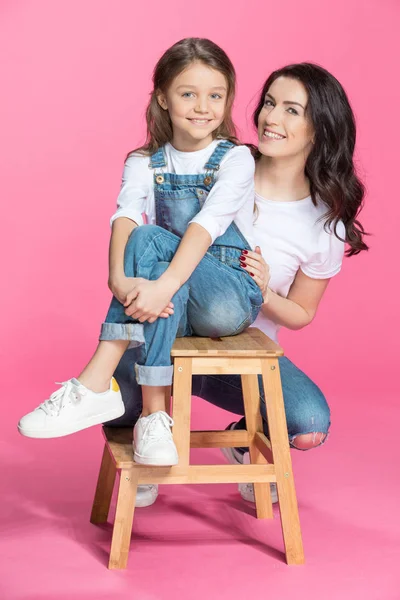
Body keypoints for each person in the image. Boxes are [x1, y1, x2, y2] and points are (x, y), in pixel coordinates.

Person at [109, 62, 368, 507]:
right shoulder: (222, 163)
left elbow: (302, 313)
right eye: (269, 103)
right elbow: (143, 223)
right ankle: (148, 432)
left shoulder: (323, 221)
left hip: (238, 357)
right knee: (120, 402)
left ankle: (243, 441)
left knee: (308, 424)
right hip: (166, 328)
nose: (270, 118)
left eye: (291, 110)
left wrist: (264, 292)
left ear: (319, 129)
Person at [17, 37, 263, 469]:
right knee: (150, 254)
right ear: (163, 99)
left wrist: (159, 284)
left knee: (151, 242)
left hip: (226, 296)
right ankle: (154, 420)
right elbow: (125, 215)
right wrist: (119, 279)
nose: (203, 106)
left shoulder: (237, 158)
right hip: (173, 300)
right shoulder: (144, 161)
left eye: (216, 95)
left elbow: (206, 227)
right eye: (188, 94)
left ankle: (94, 381)